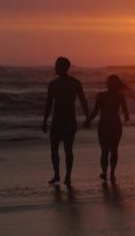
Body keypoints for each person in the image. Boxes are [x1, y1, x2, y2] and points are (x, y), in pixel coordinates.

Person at [42, 57, 89, 185]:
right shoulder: (53, 84)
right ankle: (56, 174)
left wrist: (88, 117)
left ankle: (68, 175)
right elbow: (48, 103)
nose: (55, 67)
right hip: (56, 121)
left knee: (68, 149)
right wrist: (45, 120)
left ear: (64, 67)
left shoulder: (75, 83)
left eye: (57, 65)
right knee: (54, 149)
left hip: (69, 120)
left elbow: (83, 101)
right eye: (55, 65)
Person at [85, 75, 129, 182]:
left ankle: (112, 173)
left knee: (113, 150)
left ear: (116, 85)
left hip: (114, 125)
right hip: (105, 125)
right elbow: (95, 111)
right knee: (105, 150)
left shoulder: (120, 96)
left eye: (112, 83)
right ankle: (105, 173)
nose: (109, 85)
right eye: (109, 83)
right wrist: (89, 120)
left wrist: (127, 115)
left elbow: (125, 109)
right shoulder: (101, 95)